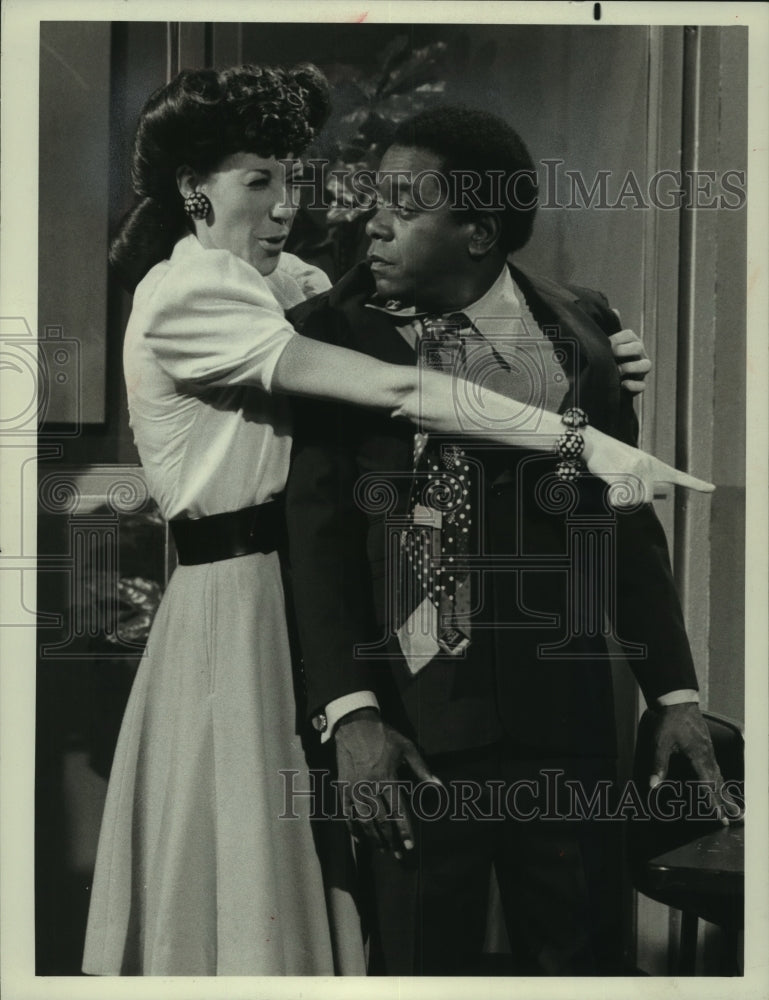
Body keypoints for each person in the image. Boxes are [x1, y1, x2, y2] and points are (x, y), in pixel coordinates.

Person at [81, 66, 682, 977]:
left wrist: (594, 352)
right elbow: (388, 397)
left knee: (317, 898)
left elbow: (620, 527)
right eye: (259, 182)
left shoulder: (297, 286)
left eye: (295, 178)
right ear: (192, 190)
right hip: (261, 612)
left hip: (493, 691)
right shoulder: (201, 296)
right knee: (246, 877)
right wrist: (573, 424)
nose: (288, 207)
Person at [284, 105, 728, 975]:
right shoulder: (329, 338)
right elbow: (317, 542)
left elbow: (624, 517)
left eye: (404, 206)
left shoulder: (585, 331)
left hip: (562, 719)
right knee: (416, 966)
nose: (373, 223)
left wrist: (673, 693)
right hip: (408, 730)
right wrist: (353, 714)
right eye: (377, 198)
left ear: (477, 233)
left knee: (581, 966)